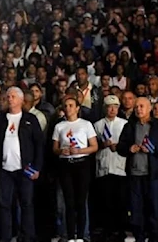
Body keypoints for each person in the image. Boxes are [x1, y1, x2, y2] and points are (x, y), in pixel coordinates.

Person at [0, 86, 44, 242]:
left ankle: (27, 237)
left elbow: (39, 144)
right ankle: (5, 237)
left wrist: (37, 167)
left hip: (25, 169)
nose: (9, 99)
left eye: (12, 96)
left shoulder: (30, 119)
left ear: (20, 99)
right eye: (8, 96)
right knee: (4, 204)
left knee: (27, 204)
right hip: (4, 169)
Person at [117, 97, 158, 242]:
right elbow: (120, 147)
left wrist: (153, 150)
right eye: (136, 107)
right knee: (136, 210)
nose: (138, 109)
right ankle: (139, 238)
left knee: (154, 209)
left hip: (153, 175)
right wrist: (129, 148)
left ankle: (154, 237)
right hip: (134, 174)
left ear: (149, 108)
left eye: (142, 106)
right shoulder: (129, 126)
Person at [52, 97, 98, 242]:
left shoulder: (86, 124)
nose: (68, 108)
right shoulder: (59, 126)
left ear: (78, 108)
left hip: (82, 163)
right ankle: (70, 235)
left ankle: (81, 236)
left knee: (81, 200)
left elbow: (94, 146)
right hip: (66, 164)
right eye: (66, 106)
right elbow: (54, 148)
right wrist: (61, 151)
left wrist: (80, 151)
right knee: (69, 201)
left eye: (71, 105)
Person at [93, 95, 128, 242]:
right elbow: (93, 145)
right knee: (105, 201)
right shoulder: (98, 125)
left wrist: (117, 146)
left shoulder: (125, 124)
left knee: (120, 200)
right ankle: (107, 229)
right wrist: (103, 145)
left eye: (115, 106)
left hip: (120, 167)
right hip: (103, 165)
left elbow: (127, 144)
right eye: (109, 106)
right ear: (105, 108)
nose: (112, 109)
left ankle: (120, 230)